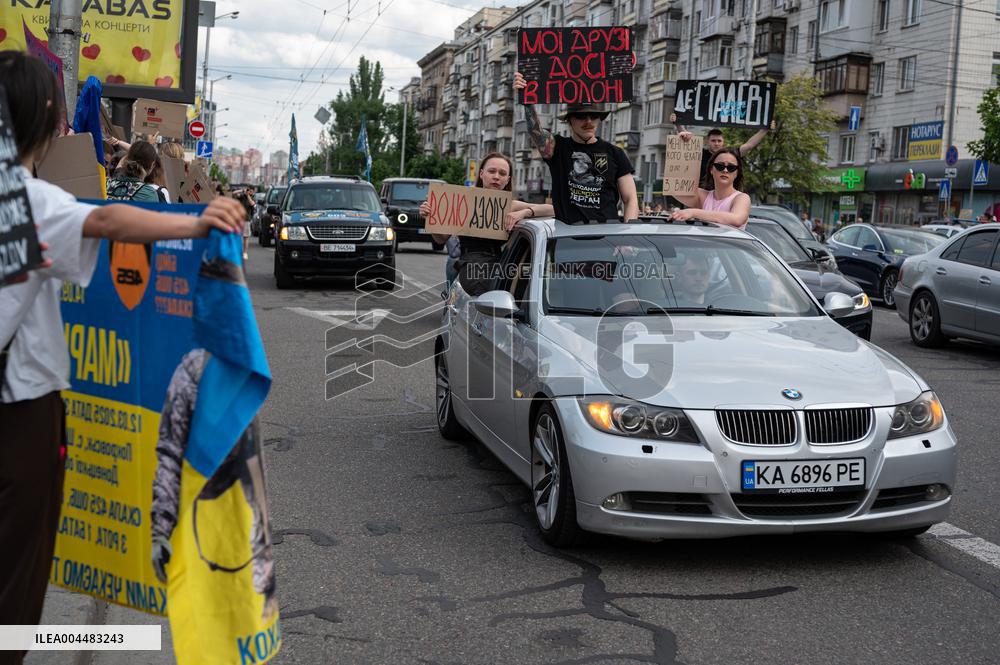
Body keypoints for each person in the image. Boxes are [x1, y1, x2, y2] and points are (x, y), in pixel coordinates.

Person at [0, 51, 245, 650]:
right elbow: (107, 220)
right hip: (18, 414)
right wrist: (195, 225)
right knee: (13, 580)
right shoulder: (23, 199)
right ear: (47, 118)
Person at [513, 72, 638, 224]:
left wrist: (627, 237)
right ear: (569, 120)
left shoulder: (615, 153)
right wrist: (527, 101)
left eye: (593, 116)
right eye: (581, 116)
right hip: (567, 241)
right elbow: (536, 132)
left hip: (607, 241)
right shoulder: (557, 147)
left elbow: (630, 199)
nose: (588, 121)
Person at [420, 152, 552, 296]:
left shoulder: (510, 206)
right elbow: (440, 239)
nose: (496, 176)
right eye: (492, 171)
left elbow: (553, 209)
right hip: (471, 267)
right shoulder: (463, 201)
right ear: (482, 174)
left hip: (499, 266)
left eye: (502, 173)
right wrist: (430, 216)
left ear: (507, 180)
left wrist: (525, 212)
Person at [671, 115, 773, 189]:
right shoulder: (699, 153)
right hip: (701, 195)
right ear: (707, 142)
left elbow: (749, 145)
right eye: (713, 141)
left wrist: (765, 130)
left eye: (719, 141)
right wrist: (677, 123)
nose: (716, 143)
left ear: (723, 142)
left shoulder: (730, 155)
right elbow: (687, 137)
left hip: (722, 196)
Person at [668, 148, 751, 230]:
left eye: (731, 167)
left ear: (737, 173)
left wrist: (692, 212)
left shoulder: (741, 198)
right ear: (711, 169)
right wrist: (683, 144)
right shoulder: (703, 197)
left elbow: (736, 219)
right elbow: (672, 186)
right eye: (720, 166)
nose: (725, 170)